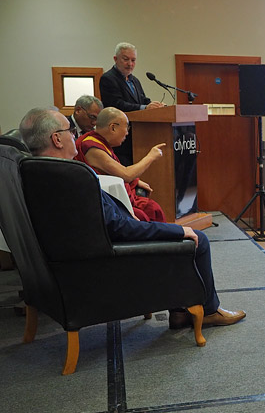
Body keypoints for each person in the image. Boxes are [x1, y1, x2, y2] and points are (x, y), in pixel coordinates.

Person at [19, 108, 245, 328]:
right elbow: (119, 228)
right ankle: (209, 311)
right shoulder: (72, 177)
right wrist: (176, 231)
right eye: (70, 130)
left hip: (80, 261)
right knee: (197, 240)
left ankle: (179, 312)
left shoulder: (36, 172)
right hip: (110, 262)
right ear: (57, 139)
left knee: (156, 221)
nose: (75, 135)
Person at [74, 107, 167, 222]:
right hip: (108, 203)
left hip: (115, 196)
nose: (127, 133)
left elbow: (115, 171)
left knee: (151, 208)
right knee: (149, 212)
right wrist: (150, 156)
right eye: (127, 127)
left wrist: (135, 181)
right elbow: (126, 175)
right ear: (113, 127)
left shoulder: (100, 143)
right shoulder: (91, 147)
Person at [100, 42, 166, 165]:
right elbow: (117, 104)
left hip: (139, 137)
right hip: (120, 141)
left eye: (133, 60)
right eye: (126, 59)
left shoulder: (134, 80)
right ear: (115, 59)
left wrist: (156, 107)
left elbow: (143, 100)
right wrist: (145, 107)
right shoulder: (108, 78)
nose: (130, 64)